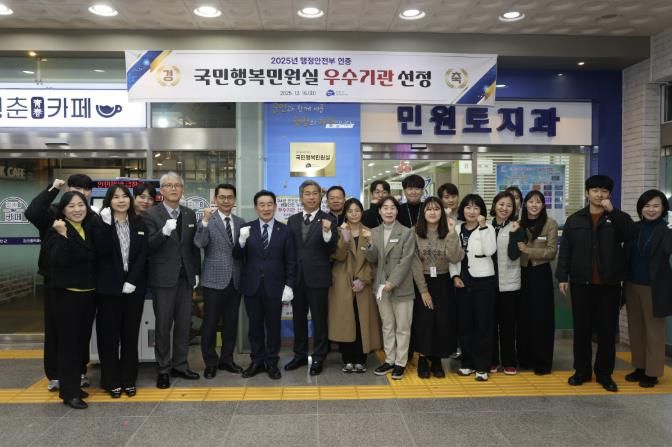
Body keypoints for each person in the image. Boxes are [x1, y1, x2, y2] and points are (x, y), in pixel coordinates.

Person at [556, 175, 638, 392]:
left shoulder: (617, 218)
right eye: (595, 190)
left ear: (609, 194)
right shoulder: (575, 220)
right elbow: (566, 250)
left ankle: (604, 374)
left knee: (606, 332)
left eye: (604, 191)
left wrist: (613, 212)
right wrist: (562, 276)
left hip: (609, 284)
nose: (599, 195)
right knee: (582, 330)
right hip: (580, 283)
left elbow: (631, 234)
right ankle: (581, 371)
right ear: (587, 193)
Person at [25, 174, 95, 392]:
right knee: (56, 329)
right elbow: (32, 212)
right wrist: (53, 188)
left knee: (80, 331)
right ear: (67, 190)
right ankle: (55, 374)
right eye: (76, 188)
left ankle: (79, 371)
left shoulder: (90, 216)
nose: (81, 193)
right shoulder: (54, 213)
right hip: (57, 281)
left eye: (85, 189)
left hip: (83, 283)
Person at [143, 172, 201, 389]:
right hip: (162, 278)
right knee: (163, 325)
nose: (174, 189)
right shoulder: (150, 214)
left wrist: (196, 272)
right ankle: (163, 369)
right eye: (169, 185)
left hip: (185, 277)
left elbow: (193, 247)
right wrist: (164, 232)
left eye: (177, 185)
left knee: (184, 324)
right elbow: (148, 246)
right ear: (162, 190)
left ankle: (181, 364)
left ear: (182, 189)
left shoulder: (189, 214)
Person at [234, 190, 296, 379]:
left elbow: (291, 260)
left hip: (275, 287)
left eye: (270, 204)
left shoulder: (285, 230)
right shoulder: (247, 228)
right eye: (262, 204)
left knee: (273, 326)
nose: (266, 208)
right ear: (256, 207)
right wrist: (241, 241)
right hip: (252, 286)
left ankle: (271, 362)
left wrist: (289, 284)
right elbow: (237, 256)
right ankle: (256, 361)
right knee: (254, 327)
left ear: (275, 207)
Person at [44, 191, 97, 409]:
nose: (77, 209)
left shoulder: (87, 227)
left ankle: (74, 384)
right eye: (71, 206)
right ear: (63, 210)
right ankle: (69, 393)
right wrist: (63, 235)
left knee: (81, 343)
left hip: (88, 293)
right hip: (67, 295)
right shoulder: (56, 230)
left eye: (81, 205)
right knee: (68, 344)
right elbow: (60, 260)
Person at [94, 185, 148, 398]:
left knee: (130, 335)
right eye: (116, 197)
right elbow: (101, 251)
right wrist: (107, 226)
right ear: (109, 201)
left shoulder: (139, 222)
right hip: (108, 289)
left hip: (134, 288)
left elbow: (143, 254)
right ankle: (110, 380)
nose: (121, 200)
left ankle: (129, 380)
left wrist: (132, 280)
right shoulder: (100, 223)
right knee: (109, 336)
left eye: (125, 196)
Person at [286, 180, 338, 375]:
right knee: (298, 319)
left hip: (318, 278)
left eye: (315, 193)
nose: (311, 197)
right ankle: (299, 355)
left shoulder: (329, 220)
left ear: (320, 196)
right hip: (297, 279)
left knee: (319, 320)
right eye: (307, 193)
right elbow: (290, 251)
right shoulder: (292, 220)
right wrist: (288, 280)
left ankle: (319, 357)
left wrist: (326, 233)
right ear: (301, 197)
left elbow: (331, 249)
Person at [194, 183, 245, 379]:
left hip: (236, 280)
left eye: (230, 197)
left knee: (231, 324)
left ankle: (227, 360)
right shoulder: (208, 220)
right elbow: (199, 242)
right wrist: (205, 221)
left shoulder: (240, 222)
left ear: (234, 200)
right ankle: (210, 363)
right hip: (213, 280)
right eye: (222, 197)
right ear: (215, 199)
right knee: (210, 323)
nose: (226, 201)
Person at [623, 190, 672, 388]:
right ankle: (640, 367)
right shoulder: (634, 228)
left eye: (656, 206)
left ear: (663, 209)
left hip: (654, 287)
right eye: (647, 206)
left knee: (654, 331)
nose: (651, 210)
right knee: (635, 329)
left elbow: (668, 249)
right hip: (631, 284)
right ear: (640, 208)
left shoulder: (666, 230)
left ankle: (652, 372)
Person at [411, 197, 463, 379]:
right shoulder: (414, 232)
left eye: (436, 209)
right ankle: (422, 358)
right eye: (428, 209)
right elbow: (415, 263)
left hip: (443, 281)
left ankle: (437, 359)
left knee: (442, 321)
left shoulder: (449, 231)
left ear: (442, 212)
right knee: (424, 322)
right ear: (423, 213)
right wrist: (423, 290)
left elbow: (455, 257)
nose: (432, 212)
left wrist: (452, 232)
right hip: (422, 280)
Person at [364, 196, 416, 380]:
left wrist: (392, 282)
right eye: (385, 208)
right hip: (380, 287)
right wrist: (370, 244)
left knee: (403, 327)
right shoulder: (374, 232)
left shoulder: (407, 232)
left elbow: (406, 261)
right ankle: (389, 360)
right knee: (387, 326)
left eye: (392, 208)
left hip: (401, 287)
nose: (389, 211)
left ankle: (401, 363)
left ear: (397, 211)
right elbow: (372, 259)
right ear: (379, 211)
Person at [328, 198, 382, 373]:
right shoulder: (338, 231)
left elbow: (375, 261)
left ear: (362, 212)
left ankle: (361, 359)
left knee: (362, 321)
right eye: (350, 211)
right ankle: (347, 359)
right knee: (345, 321)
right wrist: (344, 239)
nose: (354, 214)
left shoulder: (370, 232)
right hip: (342, 282)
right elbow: (338, 256)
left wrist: (364, 280)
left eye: (357, 210)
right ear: (345, 213)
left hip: (364, 283)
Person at [508, 190, 558, 376]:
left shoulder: (550, 223)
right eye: (531, 201)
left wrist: (528, 250)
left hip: (541, 273)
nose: (534, 205)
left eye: (538, 202)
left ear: (543, 205)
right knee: (523, 317)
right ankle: (524, 359)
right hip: (521, 273)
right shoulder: (518, 223)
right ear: (525, 204)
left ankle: (542, 362)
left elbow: (551, 252)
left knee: (542, 318)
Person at [450, 194, 497, 382]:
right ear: (462, 210)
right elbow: (452, 255)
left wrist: (483, 226)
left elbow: (489, 250)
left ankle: (482, 366)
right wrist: (454, 275)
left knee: (483, 325)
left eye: (476, 208)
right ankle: (467, 363)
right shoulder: (456, 228)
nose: (471, 211)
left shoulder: (488, 228)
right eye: (468, 207)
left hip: (483, 282)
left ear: (481, 211)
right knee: (465, 324)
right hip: (462, 282)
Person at [488, 191, 521, 375]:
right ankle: (492, 360)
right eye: (501, 204)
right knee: (490, 324)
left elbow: (514, 255)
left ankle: (509, 361)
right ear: (494, 205)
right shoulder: (485, 226)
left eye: (509, 205)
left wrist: (515, 234)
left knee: (508, 325)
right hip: (488, 283)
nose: (504, 208)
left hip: (509, 283)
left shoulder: (516, 227)